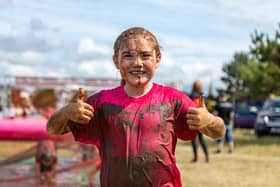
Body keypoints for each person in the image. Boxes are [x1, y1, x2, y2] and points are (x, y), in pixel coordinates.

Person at [47, 27, 225, 187]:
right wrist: (67, 111)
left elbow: (219, 132)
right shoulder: (102, 102)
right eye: (128, 56)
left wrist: (209, 120)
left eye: (145, 56)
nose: (137, 63)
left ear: (157, 59)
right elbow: (52, 129)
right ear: (116, 61)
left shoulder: (173, 100)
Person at [189, 80, 209, 163]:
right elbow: (206, 107)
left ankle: (196, 158)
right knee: (201, 139)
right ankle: (207, 157)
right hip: (202, 119)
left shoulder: (191, 95)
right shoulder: (203, 96)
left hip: (193, 119)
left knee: (194, 139)